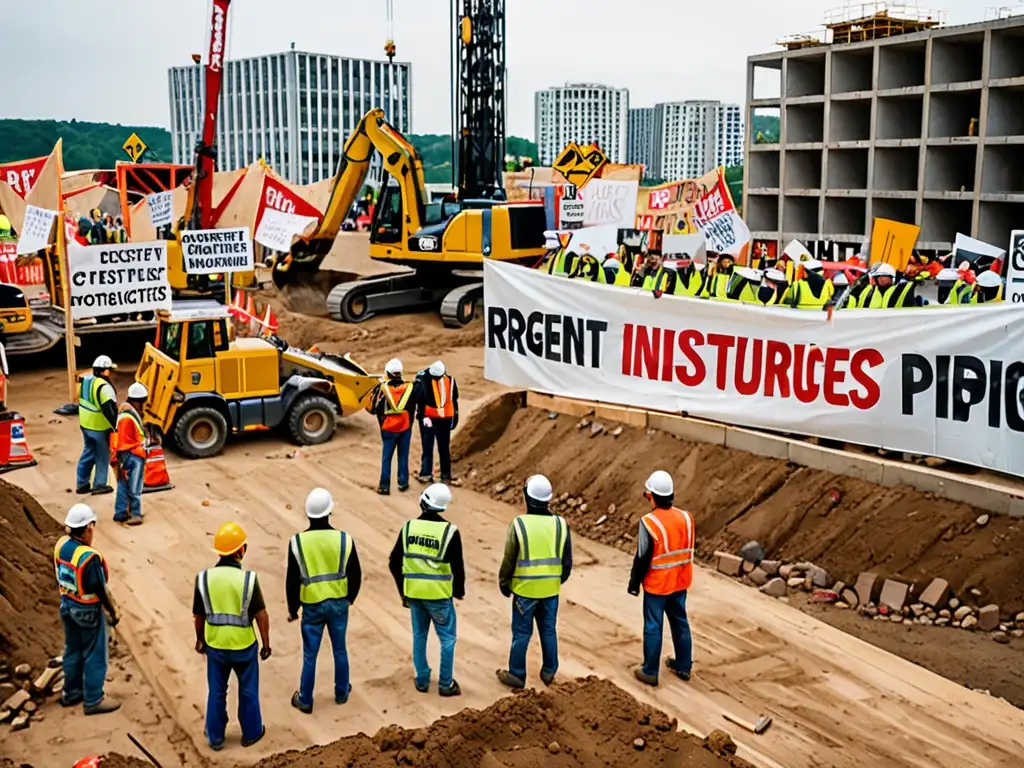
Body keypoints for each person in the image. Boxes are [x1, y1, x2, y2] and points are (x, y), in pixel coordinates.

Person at [193, 522, 270, 751]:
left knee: (216, 691)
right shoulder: (248, 580)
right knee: (248, 690)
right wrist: (266, 645)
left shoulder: (204, 579)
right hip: (244, 647)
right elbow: (261, 615)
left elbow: (198, 615)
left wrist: (200, 640)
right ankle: (252, 733)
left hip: (215, 645)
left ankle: (215, 737)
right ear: (240, 551)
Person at [288, 488, 361, 713]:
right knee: (340, 649)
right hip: (339, 602)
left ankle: (306, 699)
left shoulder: (297, 542)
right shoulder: (344, 539)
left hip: (312, 605)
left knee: (310, 654)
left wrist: (293, 608)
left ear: (308, 514)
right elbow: (356, 573)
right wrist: (350, 598)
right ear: (329, 512)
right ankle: (341, 692)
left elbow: (291, 579)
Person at [389, 483, 465, 696]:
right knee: (447, 639)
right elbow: (457, 567)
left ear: (423, 502)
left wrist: (404, 592)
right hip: (439, 596)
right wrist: (458, 591)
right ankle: (446, 684)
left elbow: (394, 562)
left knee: (419, 636)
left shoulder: (409, 528)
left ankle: (422, 679)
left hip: (414, 594)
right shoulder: (450, 532)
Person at [496, 475, 572, 689]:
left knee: (521, 633)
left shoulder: (519, 524)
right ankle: (549, 671)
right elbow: (567, 562)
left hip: (525, 591)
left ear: (527, 498)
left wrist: (504, 583)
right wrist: (556, 580)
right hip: (550, 591)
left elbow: (509, 558)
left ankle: (517, 675)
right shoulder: (560, 524)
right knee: (548, 630)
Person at [628, 471, 695, 687]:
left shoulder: (649, 523)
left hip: (658, 585)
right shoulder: (686, 518)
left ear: (652, 496)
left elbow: (642, 557)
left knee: (653, 625)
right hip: (680, 581)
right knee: (680, 622)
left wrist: (634, 583)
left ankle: (650, 671)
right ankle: (683, 666)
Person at [54, 503, 122, 714]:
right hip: (87, 611)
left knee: (72, 650)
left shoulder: (62, 545)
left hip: (67, 604)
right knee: (95, 652)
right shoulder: (88, 557)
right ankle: (93, 699)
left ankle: (71, 693)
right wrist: (112, 610)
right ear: (88, 528)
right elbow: (98, 587)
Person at [372, 358, 417, 495]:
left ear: (388, 373)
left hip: (388, 428)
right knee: (403, 456)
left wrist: (382, 425)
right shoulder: (410, 388)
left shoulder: (382, 389)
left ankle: (384, 486)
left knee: (386, 458)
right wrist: (409, 425)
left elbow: (377, 409)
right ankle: (403, 483)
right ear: (401, 372)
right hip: (404, 427)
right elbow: (412, 408)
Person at [76, 355, 118, 496]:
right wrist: (115, 426)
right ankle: (100, 484)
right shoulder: (104, 387)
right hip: (99, 426)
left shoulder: (86, 381)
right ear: (105, 371)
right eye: (109, 370)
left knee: (88, 452)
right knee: (102, 455)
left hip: (85, 424)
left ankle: (81, 484)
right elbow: (108, 409)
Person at [415, 360, 460, 485]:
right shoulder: (450, 381)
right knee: (444, 448)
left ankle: (426, 474)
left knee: (427, 446)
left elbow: (419, 399)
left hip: (429, 418)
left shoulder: (423, 380)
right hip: (445, 418)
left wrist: (422, 416)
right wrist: (455, 416)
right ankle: (446, 476)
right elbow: (454, 400)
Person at [113, 382, 147, 526]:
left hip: (125, 454)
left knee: (123, 483)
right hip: (133, 454)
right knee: (135, 486)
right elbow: (126, 440)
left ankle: (120, 512)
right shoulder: (128, 417)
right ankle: (135, 513)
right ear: (137, 401)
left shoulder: (125, 413)